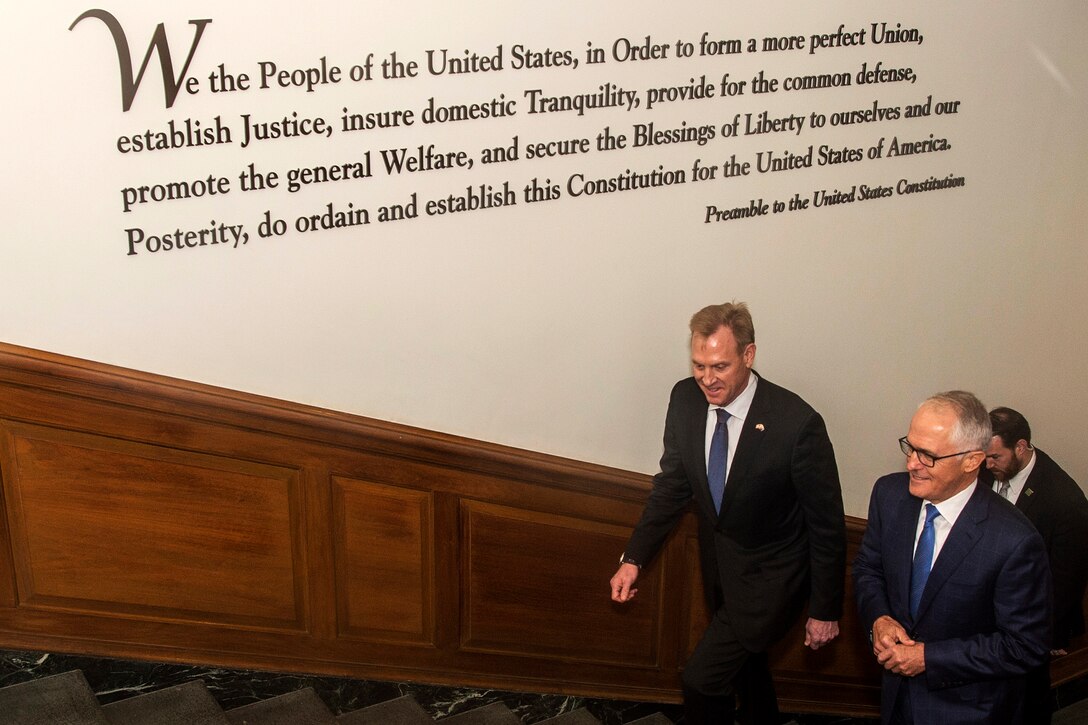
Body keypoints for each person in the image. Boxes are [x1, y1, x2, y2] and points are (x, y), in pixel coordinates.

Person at [609, 301, 846, 725]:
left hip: (773, 579)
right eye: (699, 365)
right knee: (749, 669)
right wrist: (634, 558)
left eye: (719, 366)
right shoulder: (684, 399)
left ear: (749, 355)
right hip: (719, 569)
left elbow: (826, 526)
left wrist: (825, 609)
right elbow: (672, 488)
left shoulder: (796, 424)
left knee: (702, 681)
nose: (706, 378)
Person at [854, 391, 1052, 725]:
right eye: (910, 447)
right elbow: (868, 568)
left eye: (928, 455)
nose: (912, 463)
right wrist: (879, 618)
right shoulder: (889, 495)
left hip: (967, 711)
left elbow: (1023, 646)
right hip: (895, 701)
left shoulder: (1014, 540)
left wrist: (928, 658)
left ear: (972, 460)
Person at [984, 406, 1088, 723]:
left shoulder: (1066, 502)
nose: (986, 465)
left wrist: (1045, 636)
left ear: (1021, 446)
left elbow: (1064, 584)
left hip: (1026, 630)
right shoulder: (988, 466)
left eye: (995, 458)